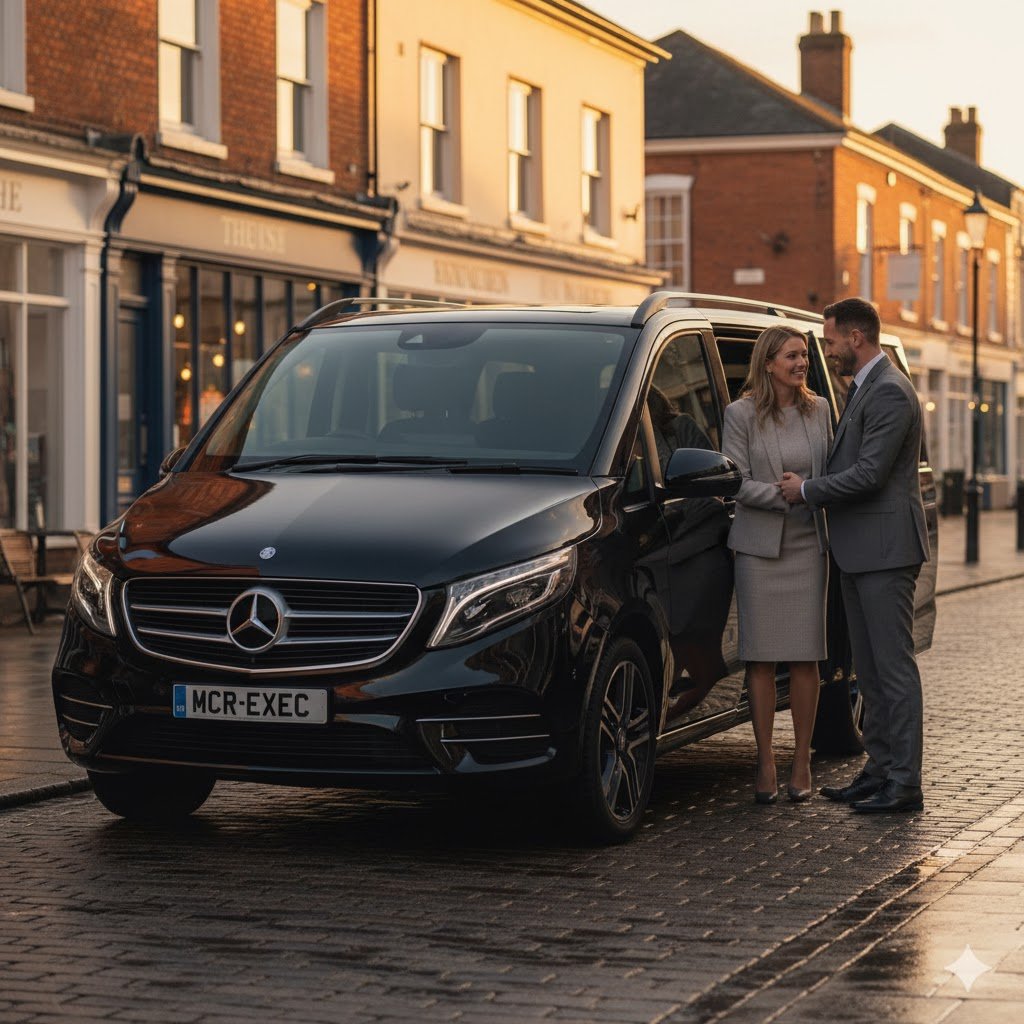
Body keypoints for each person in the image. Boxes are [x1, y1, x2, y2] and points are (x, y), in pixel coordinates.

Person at [780, 297, 929, 814]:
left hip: (885, 552)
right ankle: (879, 769)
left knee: (892, 671)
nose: (828, 349)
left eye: (830, 340)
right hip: (861, 550)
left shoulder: (888, 392)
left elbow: (869, 474)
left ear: (856, 338)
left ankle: (904, 782)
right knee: (868, 671)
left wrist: (808, 490)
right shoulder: (865, 387)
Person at [722, 325, 832, 804]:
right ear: (768, 363)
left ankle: (802, 759)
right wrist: (783, 495)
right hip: (758, 550)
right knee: (761, 658)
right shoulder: (740, 414)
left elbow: (830, 476)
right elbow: (735, 481)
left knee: (806, 657)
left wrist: (806, 489)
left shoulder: (820, 409)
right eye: (792, 356)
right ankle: (765, 758)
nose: (801, 362)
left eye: (804, 355)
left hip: (809, 544)